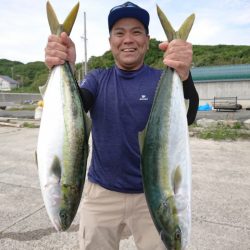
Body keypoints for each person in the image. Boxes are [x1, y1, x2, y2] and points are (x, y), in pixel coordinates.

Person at [45, 2, 199, 249]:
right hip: (101, 194)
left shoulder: (161, 81)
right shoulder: (97, 79)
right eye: (120, 32)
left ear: (147, 41)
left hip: (153, 195)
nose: (128, 39)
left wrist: (184, 74)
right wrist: (66, 67)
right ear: (110, 41)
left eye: (136, 32)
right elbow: (76, 107)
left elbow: (189, 115)